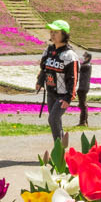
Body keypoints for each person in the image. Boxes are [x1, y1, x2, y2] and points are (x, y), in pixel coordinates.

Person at [34, 19, 81, 147]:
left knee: (53, 119)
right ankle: (61, 150)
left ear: (64, 34)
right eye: (51, 32)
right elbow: (44, 68)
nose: (52, 34)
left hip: (63, 95)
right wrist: (39, 81)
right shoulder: (48, 51)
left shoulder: (70, 56)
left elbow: (73, 78)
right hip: (51, 93)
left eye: (56, 32)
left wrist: (69, 97)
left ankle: (58, 149)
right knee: (56, 121)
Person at [75, 47, 94, 127]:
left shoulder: (87, 65)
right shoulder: (85, 65)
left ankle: (83, 122)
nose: (83, 58)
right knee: (82, 104)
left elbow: (78, 67)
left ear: (88, 58)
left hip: (82, 87)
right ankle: (84, 121)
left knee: (82, 105)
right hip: (82, 87)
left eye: (84, 56)